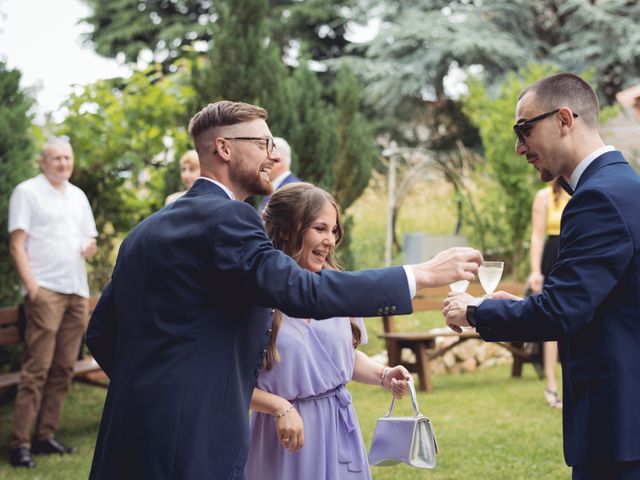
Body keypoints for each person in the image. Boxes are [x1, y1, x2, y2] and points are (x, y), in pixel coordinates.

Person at [86, 100, 482, 480]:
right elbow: (301, 291)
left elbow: (102, 334)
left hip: (128, 431)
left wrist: (152, 393)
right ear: (224, 148)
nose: (272, 156)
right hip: (193, 441)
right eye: (262, 144)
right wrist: (419, 274)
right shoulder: (231, 218)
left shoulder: (143, 232)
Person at [444, 73, 640, 479]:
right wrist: (523, 307)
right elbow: (601, 303)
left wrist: (476, 312)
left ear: (564, 119)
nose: (518, 148)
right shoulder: (625, 187)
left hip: (618, 424)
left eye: (524, 130)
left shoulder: (598, 198)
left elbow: (561, 313)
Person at [245, 183, 410, 479]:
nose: (330, 241)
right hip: (282, 436)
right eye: (320, 228)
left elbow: (343, 358)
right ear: (286, 230)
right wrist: (280, 407)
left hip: (337, 427)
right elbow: (229, 381)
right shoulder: (255, 297)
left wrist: (383, 375)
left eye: (333, 231)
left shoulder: (338, 289)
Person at [7, 136, 98, 469]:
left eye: (67, 158)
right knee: (37, 369)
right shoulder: (27, 192)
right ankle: (20, 443)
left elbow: (88, 237)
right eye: (56, 158)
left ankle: (45, 436)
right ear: (43, 162)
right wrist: (33, 288)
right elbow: (17, 244)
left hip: (76, 290)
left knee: (63, 368)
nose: (63, 163)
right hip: (45, 290)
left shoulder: (78, 196)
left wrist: (89, 247)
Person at [527, 179, 570, 408]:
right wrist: (535, 271)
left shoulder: (581, 191)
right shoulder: (543, 197)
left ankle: (573, 386)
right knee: (552, 323)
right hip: (552, 258)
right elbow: (537, 236)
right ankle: (552, 385)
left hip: (574, 255)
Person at [258, 136, 300, 211]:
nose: (260, 164)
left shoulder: (292, 192)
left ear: (277, 161)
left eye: (265, 159)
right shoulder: (275, 187)